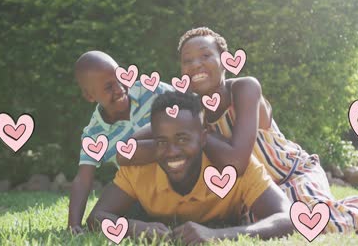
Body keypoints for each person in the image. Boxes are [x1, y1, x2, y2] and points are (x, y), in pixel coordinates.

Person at [174, 27, 358, 233]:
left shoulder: (244, 89)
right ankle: (343, 206)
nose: (195, 64)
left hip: (294, 172)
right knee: (262, 226)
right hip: (259, 191)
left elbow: (238, 161)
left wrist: (197, 130)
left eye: (205, 55)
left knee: (314, 220)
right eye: (187, 60)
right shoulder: (190, 110)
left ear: (224, 60)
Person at [87, 91, 294, 244]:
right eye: (161, 141)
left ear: (204, 138)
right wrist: (136, 228)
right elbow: (97, 217)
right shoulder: (139, 168)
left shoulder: (234, 169)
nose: (172, 151)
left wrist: (217, 235)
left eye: (182, 139)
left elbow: (287, 217)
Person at [68, 51, 173, 234]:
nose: (119, 89)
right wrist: (73, 224)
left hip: (180, 175)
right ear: (90, 96)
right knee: (98, 220)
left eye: (120, 78)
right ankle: (143, 228)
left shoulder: (151, 91)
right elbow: (83, 179)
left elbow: (191, 107)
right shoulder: (94, 134)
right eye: (108, 87)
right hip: (145, 194)